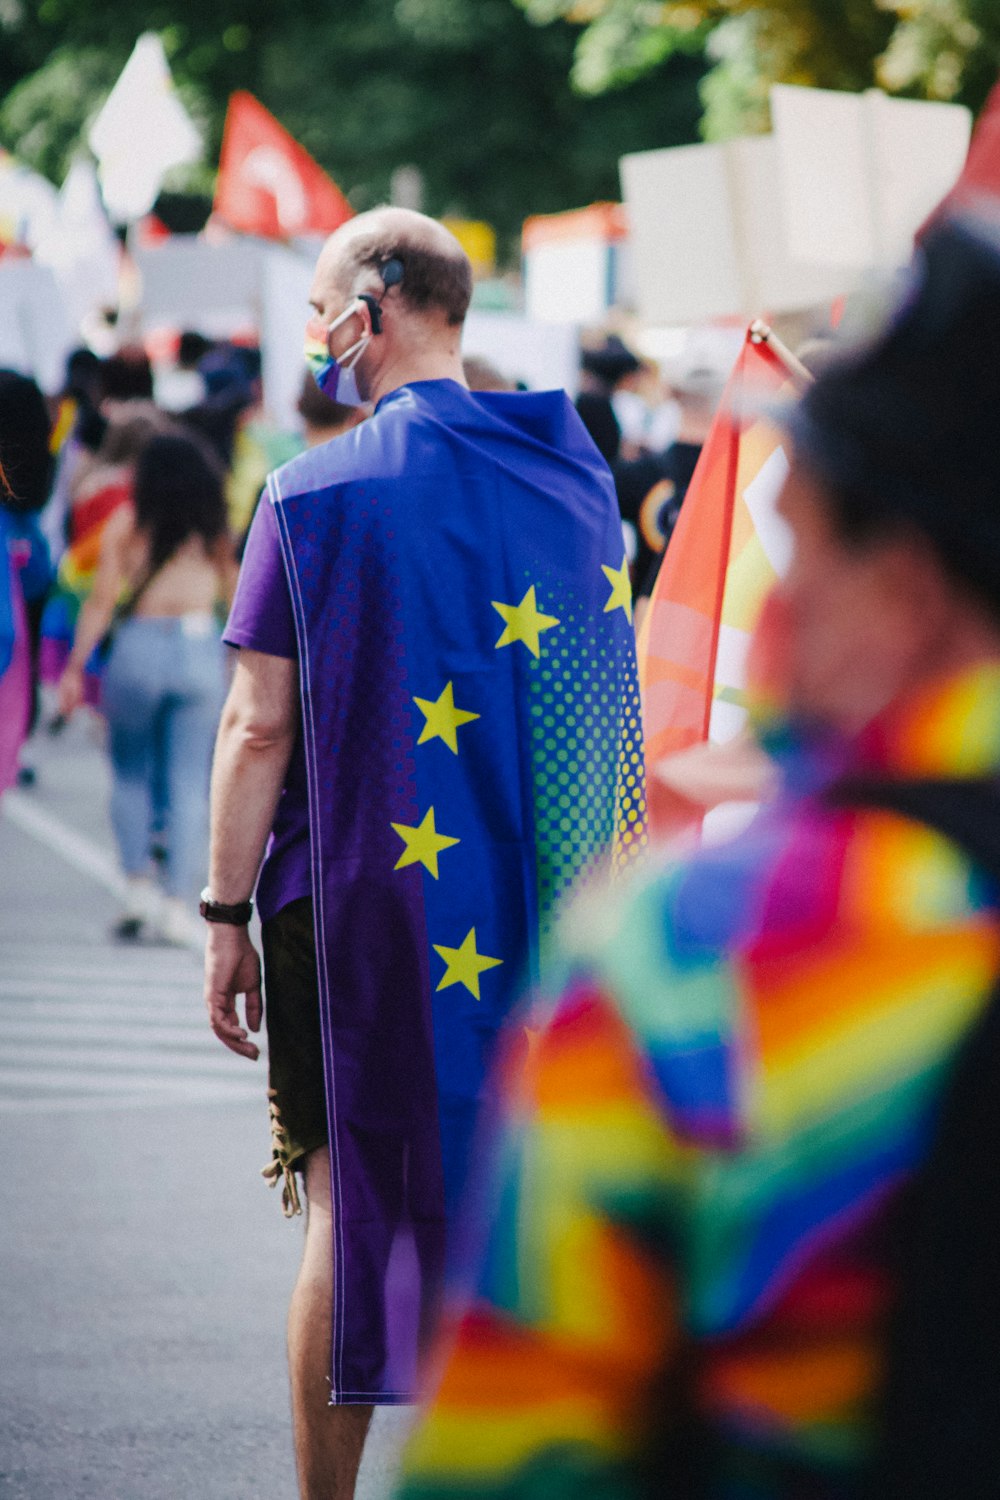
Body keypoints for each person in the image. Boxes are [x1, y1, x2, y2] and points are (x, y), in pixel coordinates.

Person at [395, 210, 1000, 1499]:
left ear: (903, 592)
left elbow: (510, 1457)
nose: (768, 608)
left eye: (806, 548)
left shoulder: (706, 947)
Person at [202, 206, 645, 1500]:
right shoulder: (574, 484)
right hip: (549, 903)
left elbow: (256, 724)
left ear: (377, 306)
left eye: (324, 302)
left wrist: (222, 913)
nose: (315, 333)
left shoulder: (308, 494)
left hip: (351, 910)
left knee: (350, 1214)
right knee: (528, 1204)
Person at [57, 432, 234, 943]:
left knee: (130, 773)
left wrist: (74, 668)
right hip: (199, 651)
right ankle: (179, 900)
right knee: (188, 781)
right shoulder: (213, 530)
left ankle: (136, 886)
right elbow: (239, 597)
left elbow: (101, 601)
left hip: (137, 648)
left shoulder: (127, 525)